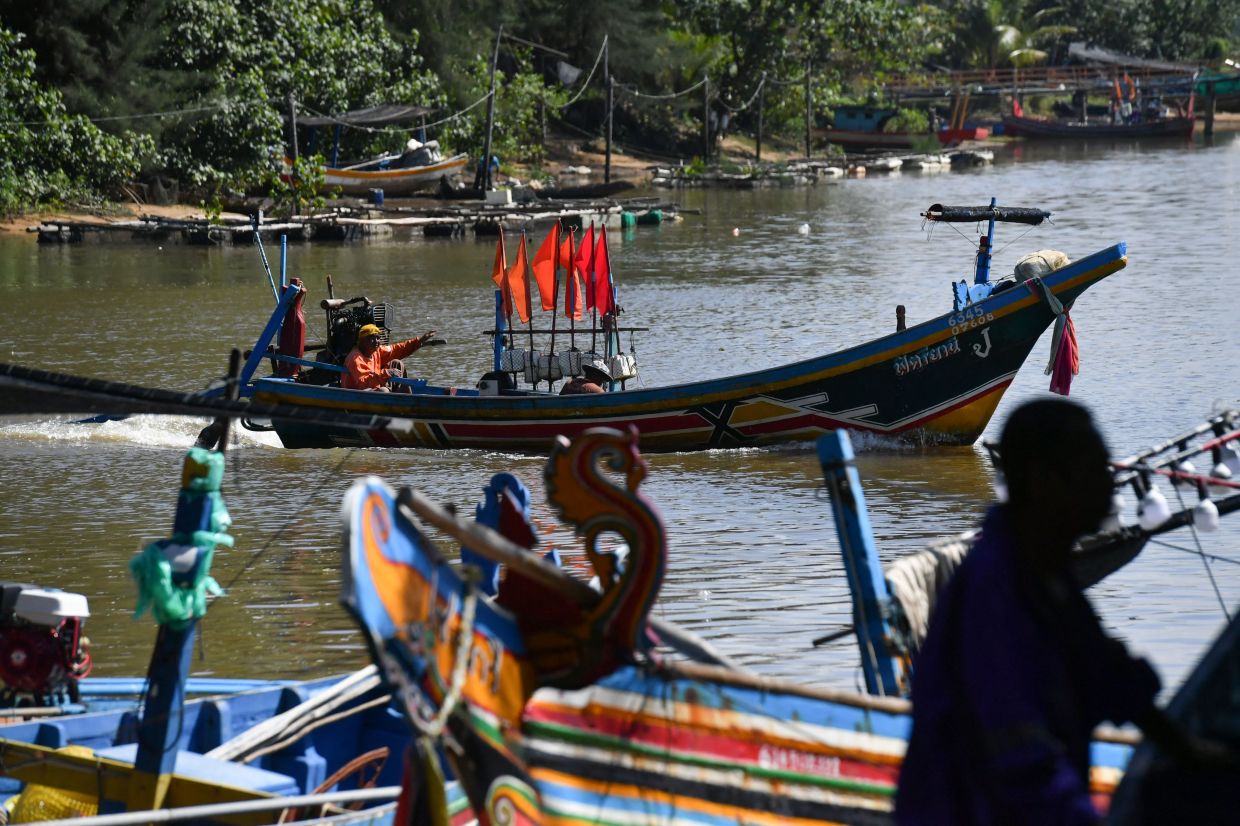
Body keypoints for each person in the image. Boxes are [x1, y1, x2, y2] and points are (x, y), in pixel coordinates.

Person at [895, 398, 1205, 825]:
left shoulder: (1046, 572)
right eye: (1092, 468)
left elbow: (1108, 674)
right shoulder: (995, 589)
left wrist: (1188, 749)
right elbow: (1022, 759)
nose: (1107, 483)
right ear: (1043, 482)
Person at [342, 323, 435, 391]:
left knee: (397, 363)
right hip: (358, 391)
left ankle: (406, 397)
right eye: (371, 338)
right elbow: (363, 383)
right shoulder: (355, 359)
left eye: (378, 338)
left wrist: (419, 341)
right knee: (383, 391)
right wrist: (387, 373)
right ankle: (391, 401)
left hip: (373, 384)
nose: (376, 341)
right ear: (362, 341)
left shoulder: (377, 351)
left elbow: (397, 349)